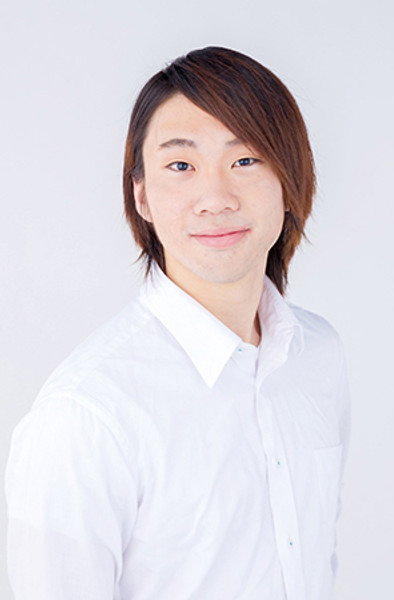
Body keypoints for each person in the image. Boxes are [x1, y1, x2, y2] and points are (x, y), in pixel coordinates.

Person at [5, 46, 351, 600]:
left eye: (246, 160)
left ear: (290, 181)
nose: (215, 198)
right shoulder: (85, 416)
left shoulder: (317, 354)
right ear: (141, 195)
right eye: (181, 166)